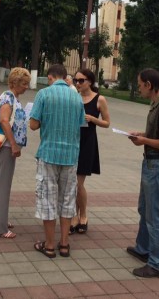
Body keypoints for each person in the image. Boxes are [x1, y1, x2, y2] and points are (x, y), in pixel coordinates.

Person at [127, 68, 159, 278]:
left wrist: (144, 141)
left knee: (154, 216)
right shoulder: (158, 102)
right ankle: (143, 249)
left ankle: (157, 264)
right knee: (144, 208)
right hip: (151, 164)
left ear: (149, 84)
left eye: (140, 84)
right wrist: (143, 134)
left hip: (158, 166)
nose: (139, 88)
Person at [30, 64, 85, 258]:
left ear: (51, 77)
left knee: (47, 198)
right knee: (68, 199)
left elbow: (34, 124)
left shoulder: (43, 94)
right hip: (71, 156)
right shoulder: (77, 97)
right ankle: (64, 244)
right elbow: (80, 124)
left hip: (48, 154)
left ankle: (50, 245)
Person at [0, 67, 31, 239]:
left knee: (0, 183)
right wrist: (13, 144)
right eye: (24, 84)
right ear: (14, 83)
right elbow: (4, 121)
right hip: (5, 146)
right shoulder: (8, 97)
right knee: (2, 185)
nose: (27, 87)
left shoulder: (12, 97)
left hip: (5, 146)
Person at [70, 69, 110, 235]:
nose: (78, 84)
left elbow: (107, 123)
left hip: (87, 142)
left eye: (81, 80)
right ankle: (74, 216)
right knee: (72, 183)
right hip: (72, 141)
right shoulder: (74, 97)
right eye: (76, 80)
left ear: (90, 82)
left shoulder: (99, 99)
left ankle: (82, 215)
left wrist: (93, 119)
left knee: (78, 183)